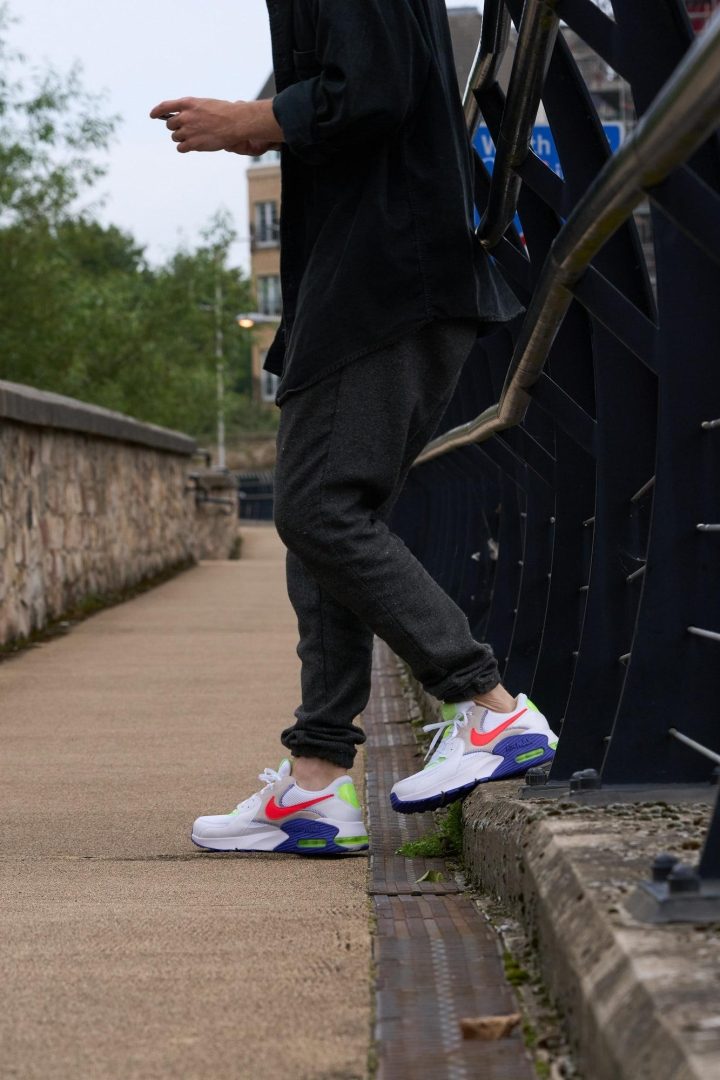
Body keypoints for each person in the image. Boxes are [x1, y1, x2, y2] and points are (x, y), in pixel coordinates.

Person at [151, 0, 557, 856]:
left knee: (319, 509)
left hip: (384, 282)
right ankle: (315, 784)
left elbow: (376, 88)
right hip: (359, 281)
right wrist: (274, 125)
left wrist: (257, 119)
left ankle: (489, 707)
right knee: (326, 526)